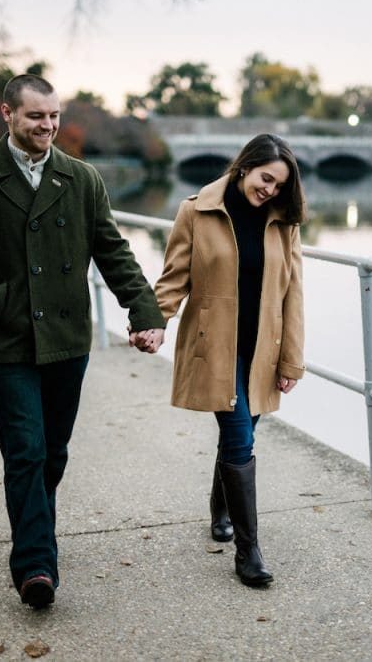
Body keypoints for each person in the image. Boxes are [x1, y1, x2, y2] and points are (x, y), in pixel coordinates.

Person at [0, 74, 165, 609]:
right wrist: (1, 304)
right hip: (9, 341)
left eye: (54, 115)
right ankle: (36, 564)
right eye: (37, 116)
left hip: (67, 338)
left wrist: (144, 309)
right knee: (25, 452)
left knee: (53, 453)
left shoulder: (82, 180)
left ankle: (34, 529)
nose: (49, 125)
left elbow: (113, 252)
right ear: (8, 115)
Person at [133, 133, 305, 587]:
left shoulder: (284, 222)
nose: (269, 190)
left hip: (262, 348)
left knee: (241, 435)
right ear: (245, 166)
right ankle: (248, 552)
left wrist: (292, 360)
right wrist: (154, 321)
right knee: (239, 435)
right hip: (216, 347)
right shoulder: (197, 209)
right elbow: (174, 277)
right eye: (266, 178)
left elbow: (293, 295)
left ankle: (221, 508)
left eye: (278, 186)